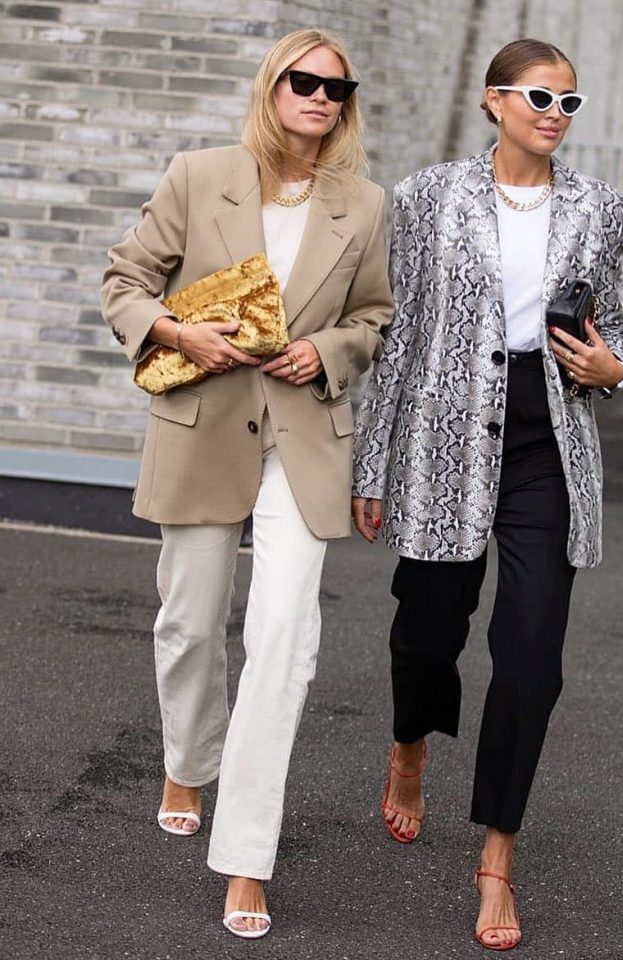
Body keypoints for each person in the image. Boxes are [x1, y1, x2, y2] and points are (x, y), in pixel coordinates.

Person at [352, 38, 623, 952]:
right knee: (428, 629)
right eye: (538, 97)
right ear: (493, 100)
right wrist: (373, 461)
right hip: (444, 429)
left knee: (530, 658)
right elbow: (399, 333)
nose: (554, 115)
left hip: (547, 438)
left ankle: (496, 859)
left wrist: (614, 369)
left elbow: (615, 332)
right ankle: (410, 743)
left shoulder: (600, 210)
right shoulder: (428, 198)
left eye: (569, 102)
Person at [101, 29, 391, 940]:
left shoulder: (365, 203)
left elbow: (374, 316)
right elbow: (125, 280)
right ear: (273, 86)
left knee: (284, 642)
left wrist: (328, 350)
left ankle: (246, 857)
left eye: (336, 88)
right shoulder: (199, 175)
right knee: (189, 622)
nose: (319, 97)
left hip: (304, 441)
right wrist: (176, 333)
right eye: (304, 81)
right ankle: (188, 761)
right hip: (203, 427)